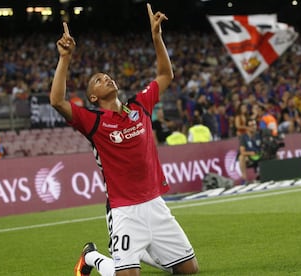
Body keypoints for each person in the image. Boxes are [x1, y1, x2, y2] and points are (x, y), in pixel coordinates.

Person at [50, 4, 198, 276]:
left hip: (155, 203)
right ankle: (92, 256)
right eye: (98, 80)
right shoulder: (93, 122)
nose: (105, 78)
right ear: (93, 97)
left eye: (106, 76)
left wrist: (157, 37)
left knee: (189, 270)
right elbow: (57, 101)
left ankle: (138, 252)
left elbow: (166, 75)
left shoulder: (139, 106)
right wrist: (65, 59)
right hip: (124, 209)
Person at [238, 118, 262, 184]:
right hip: (250, 158)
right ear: (247, 127)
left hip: (260, 156)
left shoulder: (259, 135)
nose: (253, 127)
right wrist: (250, 153)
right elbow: (242, 152)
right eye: (251, 126)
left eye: (254, 125)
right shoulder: (243, 137)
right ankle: (244, 179)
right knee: (241, 157)